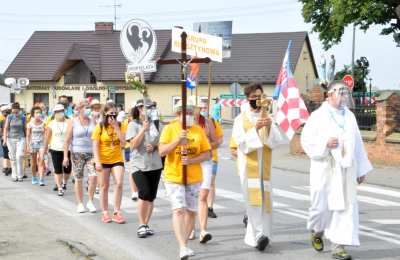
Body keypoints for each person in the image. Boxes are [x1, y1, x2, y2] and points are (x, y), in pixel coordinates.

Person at [300, 80, 373, 260]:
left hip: (345, 169)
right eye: (340, 92)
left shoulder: (349, 116)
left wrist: (361, 170)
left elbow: (357, 144)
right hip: (324, 169)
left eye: (345, 92)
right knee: (321, 207)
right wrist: (324, 144)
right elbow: (306, 141)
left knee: (344, 207)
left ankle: (338, 247)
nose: (343, 96)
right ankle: (317, 231)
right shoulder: (317, 116)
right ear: (329, 94)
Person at [230, 82, 288, 251]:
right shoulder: (240, 119)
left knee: (266, 200)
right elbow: (241, 143)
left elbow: (277, 141)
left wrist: (269, 126)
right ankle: (257, 236)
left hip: (265, 168)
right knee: (253, 201)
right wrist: (255, 128)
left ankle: (266, 235)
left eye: (260, 96)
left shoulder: (268, 117)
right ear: (248, 99)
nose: (257, 100)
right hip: (249, 167)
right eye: (254, 97)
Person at [159, 100, 211, 260]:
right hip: (174, 176)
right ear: (178, 115)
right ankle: (182, 246)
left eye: (190, 113)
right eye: (184, 113)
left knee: (191, 211)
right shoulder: (170, 129)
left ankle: (186, 244)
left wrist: (191, 160)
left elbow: (207, 153)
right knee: (179, 209)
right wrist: (177, 141)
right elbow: (161, 151)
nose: (188, 116)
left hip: (194, 176)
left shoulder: (198, 130)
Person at [126, 99, 163, 238]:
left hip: (155, 164)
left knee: (151, 197)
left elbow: (163, 141)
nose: (149, 110)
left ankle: (146, 224)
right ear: (139, 109)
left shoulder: (156, 124)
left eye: (151, 107)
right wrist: (143, 130)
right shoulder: (133, 124)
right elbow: (133, 145)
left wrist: (154, 146)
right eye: (146, 107)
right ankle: (141, 224)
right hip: (139, 164)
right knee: (144, 193)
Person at [187, 98, 217, 243]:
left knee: (203, 196)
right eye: (199, 107)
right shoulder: (186, 123)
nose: (201, 110)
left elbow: (216, 141)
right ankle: (191, 228)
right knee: (191, 197)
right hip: (191, 163)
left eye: (202, 108)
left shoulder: (208, 122)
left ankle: (203, 230)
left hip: (205, 161)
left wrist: (206, 143)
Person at [92, 102, 126, 224]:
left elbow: (123, 144)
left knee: (119, 183)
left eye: (115, 113)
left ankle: (117, 211)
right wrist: (97, 162)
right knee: (104, 186)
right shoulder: (99, 126)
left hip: (117, 159)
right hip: (103, 160)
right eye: (110, 113)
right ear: (105, 114)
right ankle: (105, 212)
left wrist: (116, 127)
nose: (113, 116)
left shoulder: (121, 125)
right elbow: (95, 146)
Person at [63, 100, 97, 213]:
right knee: (78, 178)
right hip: (77, 153)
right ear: (80, 109)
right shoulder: (73, 122)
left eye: (89, 107)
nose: (88, 109)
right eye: (86, 107)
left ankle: (90, 201)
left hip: (91, 153)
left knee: (93, 176)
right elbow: (67, 140)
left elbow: (97, 137)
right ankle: (80, 203)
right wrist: (65, 156)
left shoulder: (93, 121)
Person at [44, 104, 72, 196]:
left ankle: (64, 182)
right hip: (55, 148)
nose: (60, 113)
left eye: (62, 111)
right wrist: (44, 150)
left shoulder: (69, 122)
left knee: (67, 170)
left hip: (67, 149)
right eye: (58, 111)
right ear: (54, 113)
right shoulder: (51, 123)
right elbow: (47, 138)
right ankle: (60, 187)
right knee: (58, 169)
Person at [3, 102, 27, 182]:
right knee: (13, 158)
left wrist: (27, 139)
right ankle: (14, 175)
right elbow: (6, 128)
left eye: (16, 112)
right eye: (13, 112)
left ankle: (20, 175)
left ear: (19, 110)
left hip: (21, 138)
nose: (15, 114)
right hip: (10, 139)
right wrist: (5, 139)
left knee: (19, 156)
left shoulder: (23, 117)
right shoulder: (9, 117)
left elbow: (25, 128)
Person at [207, 116, 223, 219]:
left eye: (204, 107)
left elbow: (220, 138)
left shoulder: (212, 121)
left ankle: (209, 208)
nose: (202, 109)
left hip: (212, 157)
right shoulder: (192, 121)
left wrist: (214, 143)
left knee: (211, 182)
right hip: (196, 157)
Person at [26, 106, 46, 186]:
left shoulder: (43, 123)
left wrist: (46, 145)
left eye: (39, 112)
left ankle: (41, 179)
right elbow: (28, 135)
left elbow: (45, 134)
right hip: (33, 144)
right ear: (33, 114)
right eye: (37, 112)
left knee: (41, 161)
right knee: (33, 163)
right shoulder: (30, 124)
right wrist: (27, 145)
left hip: (41, 144)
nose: (38, 114)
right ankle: (34, 177)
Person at [0, 105, 11, 176]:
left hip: (8, 138)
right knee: (6, 153)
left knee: (6, 153)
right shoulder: (4, 120)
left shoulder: (4, 119)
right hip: (6, 138)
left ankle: (7, 167)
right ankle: (7, 167)